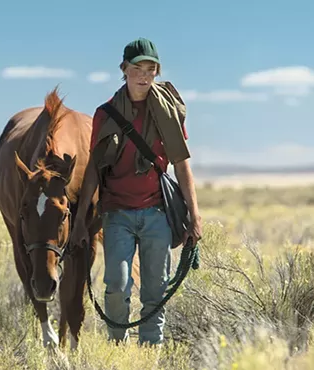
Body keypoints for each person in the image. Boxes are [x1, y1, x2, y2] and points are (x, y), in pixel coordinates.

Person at [71, 37, 202, 346]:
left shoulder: (167, 111)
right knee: (116, 284)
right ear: (124, 70)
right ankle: (118, 348)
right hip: (117, 212)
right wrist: (79, 222)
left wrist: (195, 215)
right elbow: (93, 170)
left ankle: (149, 355)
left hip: (157, 212)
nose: (144, 75)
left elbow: (182, 165)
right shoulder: (106, 114)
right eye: (137, 69)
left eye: (150, 69)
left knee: (155, 289)